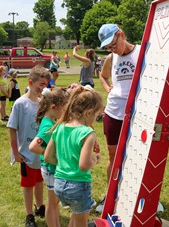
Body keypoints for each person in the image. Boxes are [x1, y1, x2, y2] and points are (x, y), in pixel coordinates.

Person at [96, 23, 141, 213]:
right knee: (114, 157)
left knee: (137, 156)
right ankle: (111, 194)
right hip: (114, 113)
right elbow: (103, 76)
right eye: (108, 48)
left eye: (114, 44)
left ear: (121, 35)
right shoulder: (110, 58)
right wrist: (108, 89)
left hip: (138, 113)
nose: (113, 50)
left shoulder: (141, 52)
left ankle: (136, 195)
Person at [44, 85, 104, 227]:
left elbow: (47, 157)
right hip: (78, 185)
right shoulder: (87, 133)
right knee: (81, 222)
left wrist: (63, 164)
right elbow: (83, 165)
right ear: (89, 113)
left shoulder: (60, 126)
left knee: (76, 217)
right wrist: (95, 159)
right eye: (96, 116)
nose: (95, 119)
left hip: (59, 184)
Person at [7, 66, 51, 227]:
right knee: (28, 184)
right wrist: (16, 152)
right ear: (30, 82)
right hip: (26, 154)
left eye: (45, 84)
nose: (42, 88)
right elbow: (12, 129)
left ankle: (39, 207)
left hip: (40, 153)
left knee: (40, 180)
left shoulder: (43, 103)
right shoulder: (20, 104)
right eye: (40, 84)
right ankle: (29, 215)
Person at [29, 88, 70, 227]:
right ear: (54, 107)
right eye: (63, 109)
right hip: (49, 169)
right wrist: (47, 154)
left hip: (51, 168)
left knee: (54, 202)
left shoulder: (51, 120)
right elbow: (33, 146)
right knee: (52, 203)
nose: (64, 113)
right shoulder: (47, 126)